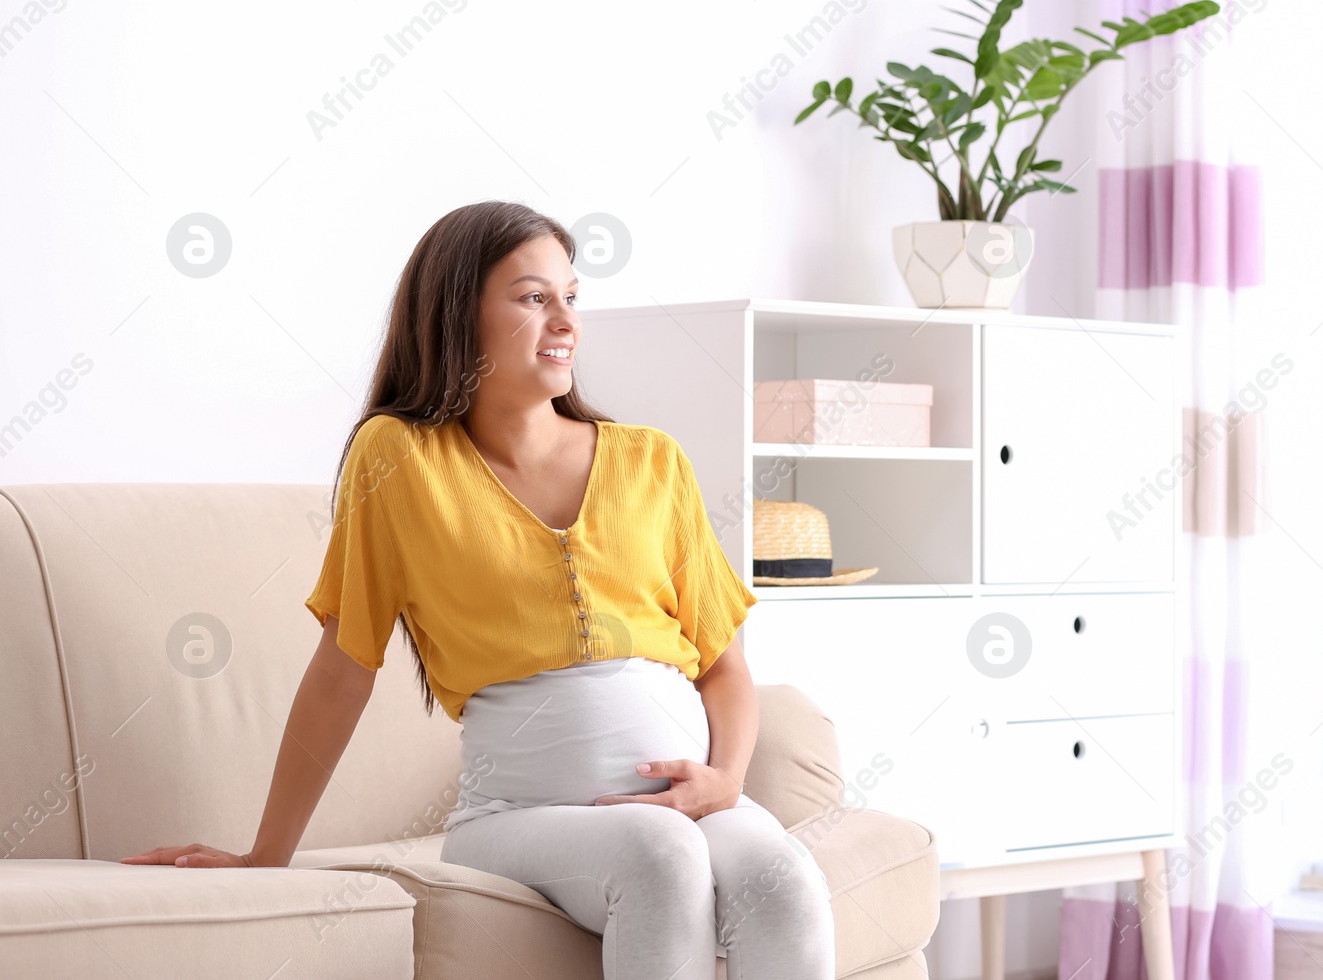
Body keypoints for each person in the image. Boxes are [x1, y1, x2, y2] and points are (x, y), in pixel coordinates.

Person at [119, 200, 836, 979]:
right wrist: (266, 855)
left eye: (571, 295)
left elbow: (725, 669)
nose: (565, 319)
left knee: (787, 881)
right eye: (533, 297)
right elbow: (341, 669)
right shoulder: (398, 458)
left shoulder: (651, 460)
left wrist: (724, 783)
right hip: (517, 818)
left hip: (688, 799)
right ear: (458, 316)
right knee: (659, 856)